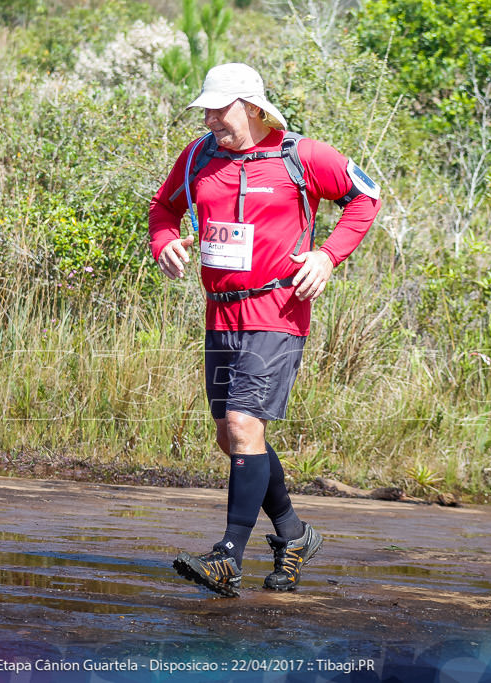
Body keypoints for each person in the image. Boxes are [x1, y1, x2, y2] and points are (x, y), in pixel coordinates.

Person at [148, 63, 381, 597]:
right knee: (230, 437)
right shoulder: (199, 155)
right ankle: (295, 535)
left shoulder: (302, 156)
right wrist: (164, 242)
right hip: (220, 311)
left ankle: (227, 556)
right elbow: (164, 208)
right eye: (204, 109)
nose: (209, 119)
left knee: (243, 423)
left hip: (278, 310)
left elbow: (366, 198)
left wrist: (327, 256)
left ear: (253, 107)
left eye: (219, 109)